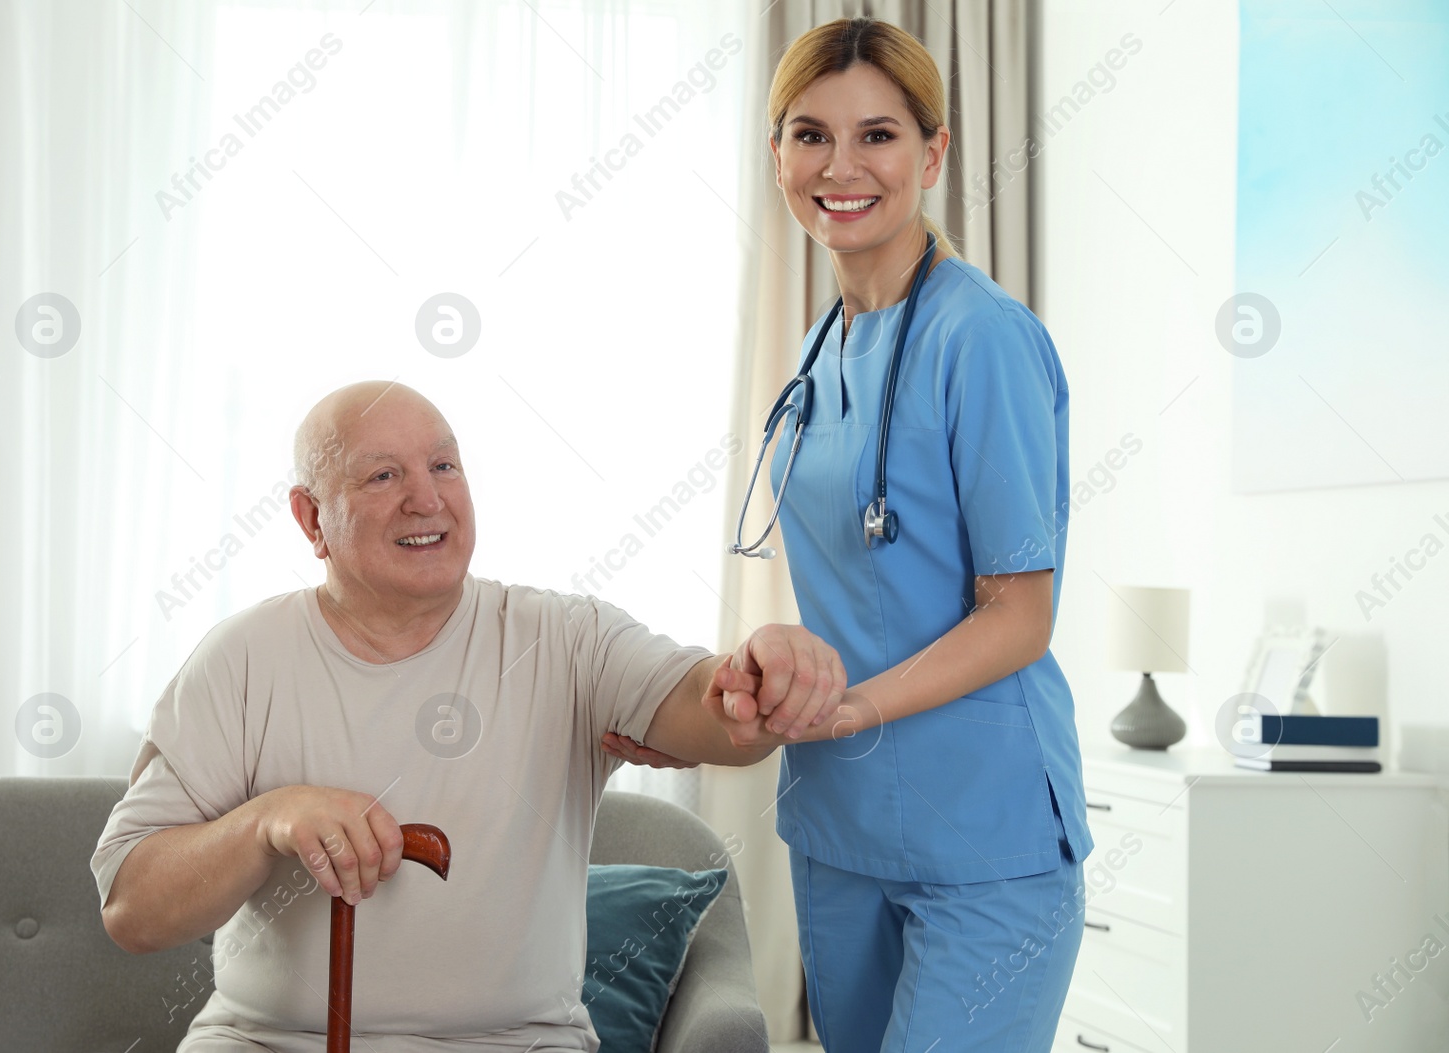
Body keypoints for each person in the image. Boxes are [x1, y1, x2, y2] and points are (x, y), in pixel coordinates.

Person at [605, 16, 1095, 1053]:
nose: (841, 165)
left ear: (932, 152)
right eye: (808, 134)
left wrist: (852, 706)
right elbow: (856, 591)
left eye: (876, 134)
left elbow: (1019, 617)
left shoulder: (983, 340)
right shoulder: (820, 348)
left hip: (983, 832)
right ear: (775, 154)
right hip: (843, 823)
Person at [92, 380, 845, 1053]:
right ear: (310, 517)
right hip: (263, 1039)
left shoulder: (563, 637)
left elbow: (701, 706)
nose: (427, 499)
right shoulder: (240, 659)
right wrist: (267, 820)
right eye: (384, 475)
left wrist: (757, 679)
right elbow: (133, 908)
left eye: (444, 466)